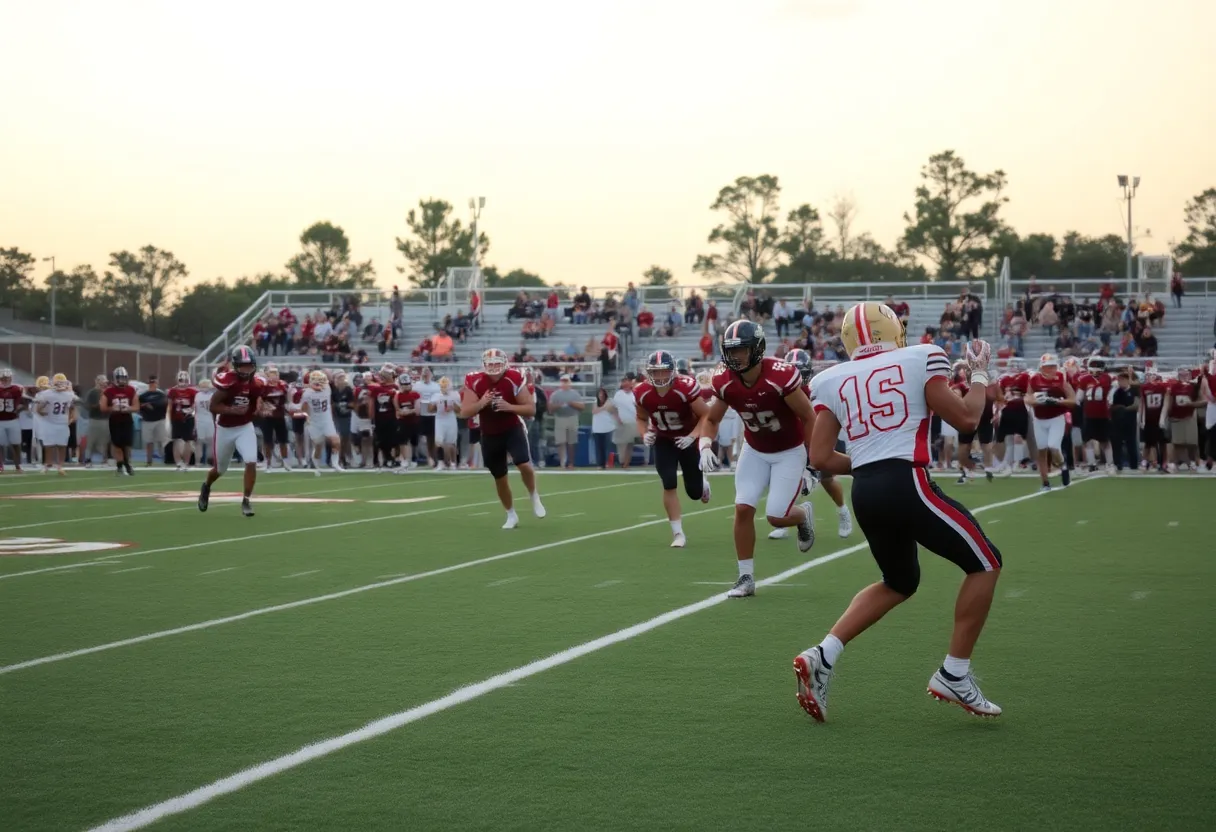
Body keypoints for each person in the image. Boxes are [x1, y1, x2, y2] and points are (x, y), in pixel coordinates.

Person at [795, 302, 1002, 723]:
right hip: (907, 482)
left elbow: (819, 455)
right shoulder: (920, 356)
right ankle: (954, 673)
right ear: (893, 330)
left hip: (867, 492)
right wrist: (979, 373)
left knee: (899, 581)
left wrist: (871, 463)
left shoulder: (832, 379)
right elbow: (966, 418)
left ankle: (823, 654)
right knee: (986, 563)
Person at [696, 321, 817, 599]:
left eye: (742, 350)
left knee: (776, 517)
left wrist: (812, 463)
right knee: (743, 508)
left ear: (757, 349)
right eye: (731, 350)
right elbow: (711, 419)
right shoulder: (725, 380)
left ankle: (802, 515)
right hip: (755, 449)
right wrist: (704, 445)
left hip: (789, 450)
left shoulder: (780, 375)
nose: (735, 356)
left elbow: (809, 417)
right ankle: (745, 576)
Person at [767, 348, 853, 539]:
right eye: (793, 372)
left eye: (800, 373)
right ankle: (784, 519)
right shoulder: (780, 389)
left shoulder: (816, 389)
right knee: (785, 479)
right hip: (794, 439)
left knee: (827, 479)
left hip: (820, 436)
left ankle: (843, 511)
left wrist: (812, 466)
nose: (796, 378)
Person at [460, 348, 546, 529]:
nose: (493, 367)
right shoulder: (474, 380)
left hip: (511, 427)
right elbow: (465, 411)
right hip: (489, 433)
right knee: (500, 477)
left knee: (523, 463)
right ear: (484, 365)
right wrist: (482, 403)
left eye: (497, 363)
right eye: (490, 364)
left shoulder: (514, 377)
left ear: (504, 363)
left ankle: (533, 495)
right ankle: (511, 514)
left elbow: (530, 409)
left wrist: (509, 406)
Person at [634, 351, 711, 548]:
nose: (660, 377)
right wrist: (644, 434)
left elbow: (706, 416)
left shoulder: (685, 387)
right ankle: (678, 533)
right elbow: (641, 418)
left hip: (687, 438)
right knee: (668, 482)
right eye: (655, 372)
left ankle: (703, 484)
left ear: (672, 371)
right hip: (664, 439)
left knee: (694, 492)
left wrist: (692, 437)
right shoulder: (642, 391)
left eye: (664, 372)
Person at [198, 347, 267, 517]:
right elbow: (213, 405)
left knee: (251, 460)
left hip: (244, 427)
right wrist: (231, 410)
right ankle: (206, 486)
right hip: (225, 428)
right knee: (220, 470)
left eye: (249, 365)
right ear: (236, 366)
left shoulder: (257, 383)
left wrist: (260, 406)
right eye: (242, 366)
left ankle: (246, 501)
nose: (246, 369)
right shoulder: (228, 381)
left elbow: (258, 399)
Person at [1027, 354, 1076, 491]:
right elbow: (1028, 398)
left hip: (1056, 418)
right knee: (1042, 451)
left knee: (1053, 446)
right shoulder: (1034, 379)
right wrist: (1037, 401)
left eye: (1053, 366)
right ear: (1041, 367)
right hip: (1039, 419)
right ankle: (1045, 483)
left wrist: (1057, 401)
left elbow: (1072, 400)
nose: (1050, 369)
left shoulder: (1061, 379)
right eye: (1047, 367)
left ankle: (1063, 465)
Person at [992, 358, 1034, 475]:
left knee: (1018, 437)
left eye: (1016, 364)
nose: (1014, 367)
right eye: (1012, 364)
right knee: (1008, 438)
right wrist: (997, 412)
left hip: (1021, 408)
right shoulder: (1004, 378)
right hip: (1007, 409)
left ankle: (1017, 462)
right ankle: (1007, 462)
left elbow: (1029, 393)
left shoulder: (1026, 377)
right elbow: (999, 397)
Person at [1074, 357, 1114, 473]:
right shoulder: (1089, 379)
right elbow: (1079, 397)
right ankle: (1092, 464)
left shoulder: (1106, 378)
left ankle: (1109, 464)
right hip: (1090, 414)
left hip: (1102, 414)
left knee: (1104, 440)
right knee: (1088, 440)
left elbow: (1079, 398)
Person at [300, 370, 343, 471]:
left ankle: (335, 463)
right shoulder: (307, 394)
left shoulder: (327, 389)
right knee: (318, 445)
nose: (319, 383)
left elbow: (326, 381)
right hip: (314, 422)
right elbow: (304, 409)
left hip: (326, 420)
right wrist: (307, 419)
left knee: (336, 441)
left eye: (321, 381)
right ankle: (315, 461)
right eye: (317, 381)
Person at [34, 373, 76, 475]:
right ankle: (48, 464)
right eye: (59, 383)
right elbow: (39, 408)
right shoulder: (47, 394)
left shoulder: (69, 394)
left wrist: (71, 418)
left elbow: (72, 408)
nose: (60, 385)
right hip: (50, 423)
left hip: (62, 423)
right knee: (49, 445)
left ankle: (60, 466)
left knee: (62, 445)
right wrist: (42, 413)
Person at [100, 367, 137, 476]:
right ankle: (120, 465)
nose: (122, 380)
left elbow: (136, 406)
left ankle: (127, 464)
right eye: (120, 378)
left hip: (127, 419)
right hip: (115, 420)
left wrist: (129, 408)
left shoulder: (131, 389)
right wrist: (112, 408)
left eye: (124, 378)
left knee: (127, 444)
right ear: (115, 378)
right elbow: (103, 407)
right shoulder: (109, 391)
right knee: (117, 444)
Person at [1162, 367, 1200, 471]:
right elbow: (1169, 401)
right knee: (1178, 442)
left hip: (1189, 416)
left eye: (1186, 374)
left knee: (1192, 442)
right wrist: (1166, 416)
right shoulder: (1173, 387)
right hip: (1176, 417)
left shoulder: (1194, 387)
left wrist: (1192, 405)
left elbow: (1200, 399)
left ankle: (1192, 462)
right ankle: (1178, 463)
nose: (1184, 376)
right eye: (1182, 374)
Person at [547, 374, 584, 469]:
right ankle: (562, 463)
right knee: (560, 441)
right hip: (560, 418)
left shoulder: (575, 394)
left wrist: (572, 404)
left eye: (566, 381)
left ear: (569, 382)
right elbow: (550, 409)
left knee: (572, 442)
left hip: (572, 417)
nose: (564, 383)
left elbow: (582, 407)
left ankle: (571, 463)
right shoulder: (555, 394)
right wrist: (558, 406)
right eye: (563, 381)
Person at [259, 365, 292, 471]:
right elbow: (259, 399)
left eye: (276, 373)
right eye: (272, 374)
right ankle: (267, 463)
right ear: (267, 375)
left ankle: (285, 462)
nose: (275, 376)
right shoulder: (264, 386)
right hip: (268, 416)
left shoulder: (283, 385)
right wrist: (262, 409)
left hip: (280, 415)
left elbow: (288, 399)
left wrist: (288, 407)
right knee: (267, 440)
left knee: (283, 440)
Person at [1109, 370, 1140, 472]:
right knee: (1117, 443)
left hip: (1130, 421)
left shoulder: (1134, 391)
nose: (1120, 382)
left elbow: (1136, 405)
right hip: (1117, 421)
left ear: (1127, 380)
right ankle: (1118, 463)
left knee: (1131, 442)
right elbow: (1113, 406)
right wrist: (1119, 408)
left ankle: (1134, 464)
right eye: (1119, 380)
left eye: (1122, 380)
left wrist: (1124, 409)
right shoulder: (1117, 392)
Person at [1138, 371, 1169, 471]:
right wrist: (1141, 419)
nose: (1154, 379)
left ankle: (1164, 462)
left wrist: (1163, 418)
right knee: (1148, 442)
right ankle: (1144, 461)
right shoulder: (1144, 388)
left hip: (1159, 418)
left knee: (1162, 442)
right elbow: (1142, 403)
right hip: (1148, 419)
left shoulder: (1163, 387)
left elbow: (1166, 402)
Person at [431, 376, 462, 470]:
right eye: (442, 386)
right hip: (440, 420)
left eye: (446, 386)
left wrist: (452, 406)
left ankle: (453, 462)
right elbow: (430, 410)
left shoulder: (455, 395)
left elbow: (459, 410)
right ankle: (441, 462)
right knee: (439, 442)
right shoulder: (436, 396)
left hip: (450, 419)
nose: (444, 388)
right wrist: (436, 406)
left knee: (451, 443)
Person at [138, 375, 169, 466]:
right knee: (149, 442)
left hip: (160, 420)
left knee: (161, 440)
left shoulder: (161, 394)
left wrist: (150, 404)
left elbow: (163, 404)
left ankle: (164, 459)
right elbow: (138, 405)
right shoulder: (143, 395)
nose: (153, 384)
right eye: (151, 382)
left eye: (154, 382)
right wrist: (145, 406)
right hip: (147, 420)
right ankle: (149, 461)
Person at [610, 375, 640, 468]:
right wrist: (617, 418)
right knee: (621, 444)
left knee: (630, 444)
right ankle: (622, 461)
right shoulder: (618, 394)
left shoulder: (635, 393)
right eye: (624, 382)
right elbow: (614, 408)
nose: (626, 384)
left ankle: (626, 463)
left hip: (632, 422)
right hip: (621, 423)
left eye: (627, 382)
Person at [0, 368, 26, 471]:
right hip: (0, 420)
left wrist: (19, 409)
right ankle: (1, 466)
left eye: (7, 378)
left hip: (13, 419)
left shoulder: (16, 389)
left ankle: (18, 465)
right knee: (0, 444)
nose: (5, 380)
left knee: (16, 443)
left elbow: (24, 402)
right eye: (3, 378)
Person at [414, 368, 440, 467]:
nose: (426, 374)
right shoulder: (416, 386)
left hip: (432, 415)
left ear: (431, 374)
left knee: (432, 438)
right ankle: (423, 458)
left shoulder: (436, 386)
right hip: (420, 414)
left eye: (428, 372)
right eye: (424, 372)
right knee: (420, 438)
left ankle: (434, 458)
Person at [591, 388, 615, 468]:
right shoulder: (595, 402)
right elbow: (594, 411)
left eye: (602, 394)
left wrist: (605, 407)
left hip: (608, 428)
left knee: (607, 447)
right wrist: (604, 407)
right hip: (597, 428)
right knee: (598, 448)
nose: (601, 395)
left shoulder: (610, 402)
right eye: (599, 394)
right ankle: (599, 464)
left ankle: (607, 463)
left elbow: (611, 410)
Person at [194, 377, 215, 466]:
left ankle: (208, 460)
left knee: (208, 441)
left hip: (207, 419)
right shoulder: (199, 395)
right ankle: (199, 461)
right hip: (202, 420)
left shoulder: (201, 395)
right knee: (201, 442)